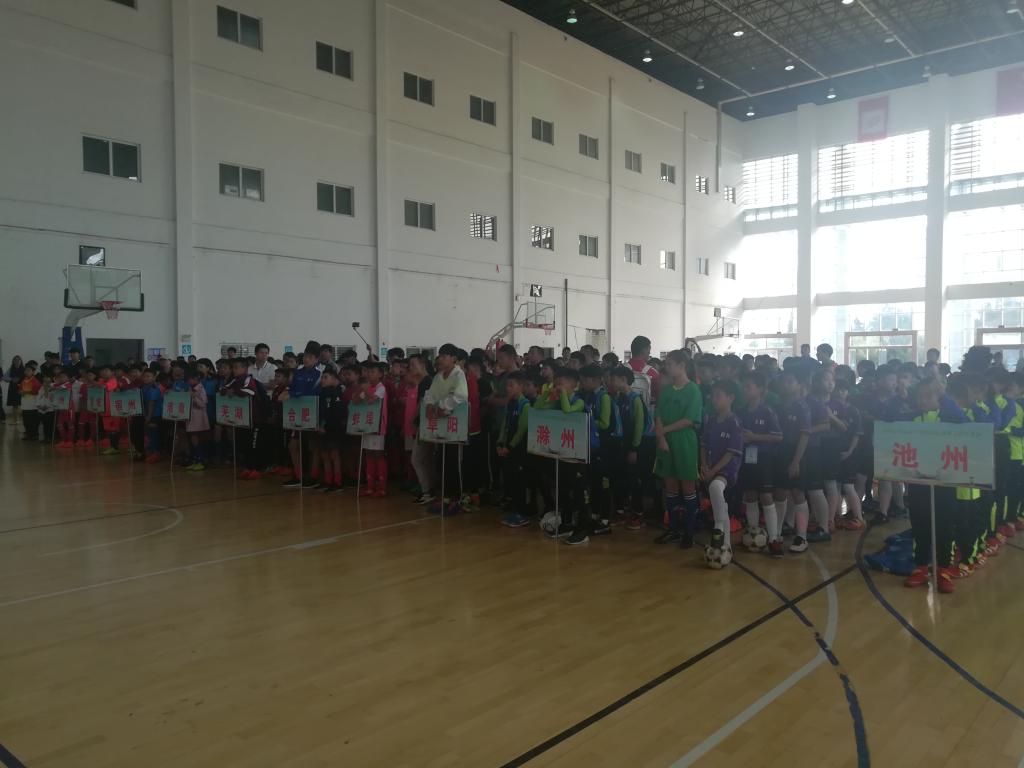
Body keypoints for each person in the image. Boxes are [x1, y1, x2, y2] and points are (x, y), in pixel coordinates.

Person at [653, 350, 703, 548]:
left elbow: (689, 420)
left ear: (682, 365)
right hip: (665, 441)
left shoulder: (693, 390)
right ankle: (673, 529)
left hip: (684, 442)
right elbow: (658, 414)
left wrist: (663, 431)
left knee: (688, 488)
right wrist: (661, 437)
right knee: (670, 488)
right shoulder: (666, 390)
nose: (666, 368)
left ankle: (689, 532)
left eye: (670, 364)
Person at [738, 370, 783, 556]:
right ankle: (753, 533)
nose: (745, 389)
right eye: (744, 386)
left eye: (748, 387)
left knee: (766, 496)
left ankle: (774, 539)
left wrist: (755, 437)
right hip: (747, 458)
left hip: (764, 458)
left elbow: (778, 436)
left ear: (760, 389)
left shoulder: (767, 411)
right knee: (750, 495)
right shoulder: (741, 411)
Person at [700, 379, 744, 563]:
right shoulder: (710, 421)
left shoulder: (734, 422)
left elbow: (730, 454)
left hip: (727, 468)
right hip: (711, 467)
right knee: (719, 500)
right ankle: (726, 545)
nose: (714, 399)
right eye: (712, 396)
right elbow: (703, 446)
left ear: (730, 398)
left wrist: (713, 471)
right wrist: (704, 465)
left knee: (716, 488)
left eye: (718, 396)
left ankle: (718, 527)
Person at [609, 365, 655, 532]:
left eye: (613, 379)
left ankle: (638, 514)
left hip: (639, 446)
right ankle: (621, 512)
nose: (610, 382)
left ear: (623, 380)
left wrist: (634, 449)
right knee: (621, 478)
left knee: (635, 480)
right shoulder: (618, 398)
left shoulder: (635, 399)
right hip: (623, 445)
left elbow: (639, 426)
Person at [423, 343, 468, 511]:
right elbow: (430, 393)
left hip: (455, 425)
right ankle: (445, 496)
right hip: (441, 425)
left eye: (444, 356)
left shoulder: (458, 375)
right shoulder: (438, 376)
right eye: (440, 356)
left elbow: (461, 396)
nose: (440, 359)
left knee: (453, 461)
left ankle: (456, 498)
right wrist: (429, 404)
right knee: (441, 460)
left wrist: (442, 406)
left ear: (453, 358)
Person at [774, 372, 811, 553]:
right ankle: (776, 533)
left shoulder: (802, 407)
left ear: (798, 385)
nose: (786, 385)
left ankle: (801, 536)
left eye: (790, 381)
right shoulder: (778, 406)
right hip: (779, 454)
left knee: (797, 493)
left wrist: (796, 461)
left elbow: (804, 435)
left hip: (797, 453)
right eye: (783, 382)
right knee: (780, 492)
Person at [283, 342, 323, 489]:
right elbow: (291, 388)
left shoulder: (319, 375)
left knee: (313, 447)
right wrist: (287, 392)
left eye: (311, 357)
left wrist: (293, 394)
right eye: (305, 356)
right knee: (293, 445)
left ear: (316, 359)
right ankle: (298, 475)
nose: (307, 359)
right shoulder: (297, 373)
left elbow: (312, 393)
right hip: (297, 415)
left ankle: (313, 477)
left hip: (313, 415)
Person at [497, 371, 532, 528]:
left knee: (520, 482)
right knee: (511, 480)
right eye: (507, 385)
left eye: (511, 385)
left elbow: (522, 429)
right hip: (507, 449)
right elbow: (504, 424)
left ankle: (522, 514)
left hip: (519, 450)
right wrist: (500, 443)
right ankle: (515, 511)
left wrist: (510, 446)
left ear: (521, 386)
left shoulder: (525, 405)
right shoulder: (510, 404)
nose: (508, 388)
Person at [356, 362, 389, 497]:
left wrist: (365, 391)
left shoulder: (381, 388)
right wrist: (360, 391)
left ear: (380, 374)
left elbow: (371, 400)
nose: (369, 374)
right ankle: (370, 486)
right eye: (368, 372)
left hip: (378, 427)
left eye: (372, 372)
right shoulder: (368, 387)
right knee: (368, 454)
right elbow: (356, 401)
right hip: (367, 425)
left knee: (378, 455)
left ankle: (382, 487)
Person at [316, 367, 346, 493]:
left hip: (333, 429)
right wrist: (319, 425)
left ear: (333, 379)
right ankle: (328, 480)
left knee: (334, 454)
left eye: (326, 378)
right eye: (322, 377)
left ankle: (338, 482)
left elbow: (337, 414)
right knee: (324, 454)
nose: (323, 380)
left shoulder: (336, 393)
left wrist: (326, 427)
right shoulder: (322, 393)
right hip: (321, 428)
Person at [185, 367, 210, 471]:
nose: (188, 381)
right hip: (192, 417)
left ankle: (201, 461)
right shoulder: (191, 388)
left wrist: (194, 398)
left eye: (190, 379)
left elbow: (203, 404)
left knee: (196, 439)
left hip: (198, 418)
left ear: (196, 379)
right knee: (193, 439)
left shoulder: (201, 389)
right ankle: (196, 460)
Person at [5, 355, 25, 425]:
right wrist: (12, 379)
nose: (17, 361)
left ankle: (23, 420)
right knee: (14, 405)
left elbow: (27, 378)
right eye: (15, 360)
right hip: (13, 388)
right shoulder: (11, 368)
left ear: (21, 361)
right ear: (13, 361)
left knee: (23, 404)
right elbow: (5, 377)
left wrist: (20, 380)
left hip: (22, 388)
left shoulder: (24, 369)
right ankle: (15, 420)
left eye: (18, 360)